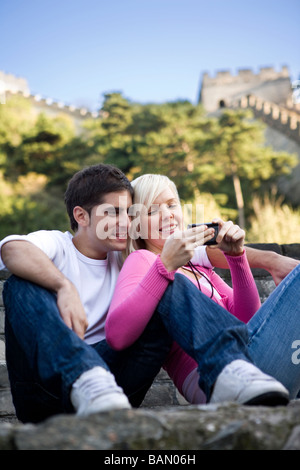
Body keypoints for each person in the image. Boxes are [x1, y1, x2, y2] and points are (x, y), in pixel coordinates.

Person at [0, 164, 297, 423]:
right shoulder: (58, 245)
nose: (123, 223)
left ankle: (229, 369)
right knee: (20, 285)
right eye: (112, 213)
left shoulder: (128, 256)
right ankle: (85, 375)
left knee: (167, 278)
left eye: (129, 214)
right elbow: (12, 249)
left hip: (114, 386)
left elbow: (204, 251)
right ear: (81, 215)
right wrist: (62, 286)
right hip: (48, 387)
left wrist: (264, 259)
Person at [105, 174, 300, 405]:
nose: (167, 215)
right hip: (215, 379)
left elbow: (246, 323)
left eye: (171, 205)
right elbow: (117, 335)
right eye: (151, 211)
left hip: (253, 365)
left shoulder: (199, 269)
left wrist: (237, 257)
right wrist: (163, 266)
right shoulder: (142, 260)